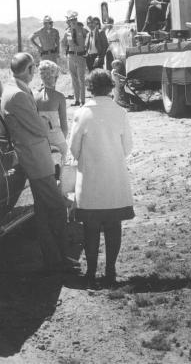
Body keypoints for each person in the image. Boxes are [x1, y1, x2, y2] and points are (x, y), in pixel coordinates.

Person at [1, 53, 73, 273]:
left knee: (43, 210)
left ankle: (54, 259)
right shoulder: (19, 95)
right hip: (36, 158)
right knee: (58, 207)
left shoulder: (14, 90)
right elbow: (41, 128)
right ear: (30, 69)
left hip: (34, 154)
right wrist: (44, 123)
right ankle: (60, 257)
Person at [70, 69, 134, 287]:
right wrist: (113, 156)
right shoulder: (120, 112)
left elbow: (74, 148)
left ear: (89, 88)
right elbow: (128, 147)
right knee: (113, 224)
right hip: (114, 175)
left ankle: (90, 272)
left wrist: (87, 159)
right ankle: (110, 270)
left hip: (90, 177)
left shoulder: (82, 113)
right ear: (110, 87)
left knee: (90, 226)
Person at [34, 60, 69, 162]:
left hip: (41, 141)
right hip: (57, 140)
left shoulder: (35, 97)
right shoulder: (60, 97)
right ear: (56, 77)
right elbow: (64, 127)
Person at [61, 11, 88, 106]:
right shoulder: (67, 32)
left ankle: (83, 100)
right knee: (74, 79)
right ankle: (77, 100)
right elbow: (63, 43)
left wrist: (86, 51)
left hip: (81, 56)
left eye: (75, 19)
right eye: (71, 20)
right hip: (71, 57)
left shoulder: (83, 30)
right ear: (68, 21)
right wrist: (66, 53)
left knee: (81, 79)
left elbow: (89, 39)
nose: (73, 21)